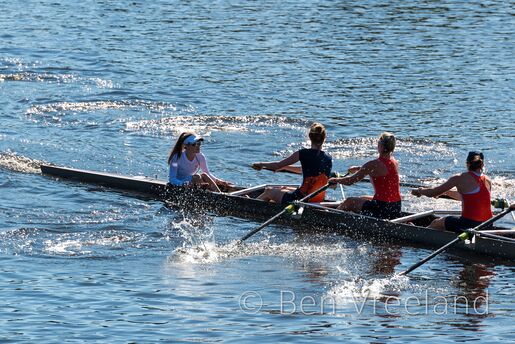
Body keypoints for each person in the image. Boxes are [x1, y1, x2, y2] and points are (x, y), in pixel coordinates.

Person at [411, 151, 493, 232]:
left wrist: (420, 191)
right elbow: (471, 198)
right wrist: (446, 192)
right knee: (447, 222)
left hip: (469, 225)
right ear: (482, 164)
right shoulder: (488, 180)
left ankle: (418, 233)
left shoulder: (459, 178)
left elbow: (433, 192)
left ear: (467, 164)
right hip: (488, 225)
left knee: (437, 223)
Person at [252, 123, 332, 204]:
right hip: (317, 199)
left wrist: (260, 164)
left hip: (301, 199)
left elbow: (277, 165)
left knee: (268, 191)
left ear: (310, 137)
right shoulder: (328, 158)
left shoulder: (303, 153)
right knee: (283, 188)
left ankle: (250, 206)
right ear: (324, 138)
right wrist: (286, 167)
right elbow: (307, 170)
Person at [328, 132, 401, 220]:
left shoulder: (373, 164)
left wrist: (335, 180)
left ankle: (331, 219)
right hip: (396, 207)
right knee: (362, 198)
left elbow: (350, 181)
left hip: (382, 208)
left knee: (349, 202)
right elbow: (380, 171)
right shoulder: (395, 162)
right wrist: (359, 168)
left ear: (380, 146)